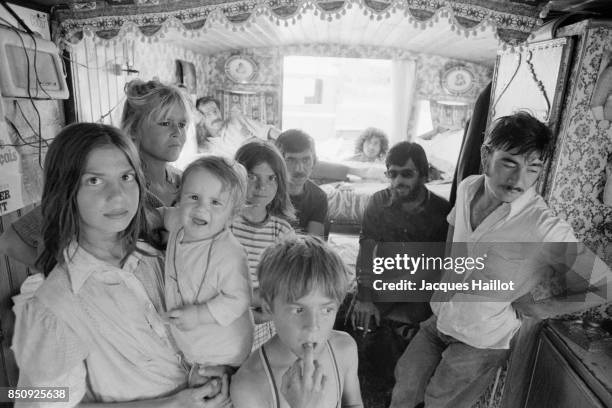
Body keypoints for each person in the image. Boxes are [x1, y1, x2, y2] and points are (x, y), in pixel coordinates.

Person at [389, 112, 612, 408]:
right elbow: (454, 237)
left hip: (480, 339)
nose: (519, 180)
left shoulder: (541, 224)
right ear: (486, 156)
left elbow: (602, 283)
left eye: (533, 168)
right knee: (405, 384)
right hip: (441, 317)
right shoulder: (469, 187)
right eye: (509, 163)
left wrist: (537, 307)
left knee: (439, 401)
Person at [11, 123, 230, 407]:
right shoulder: (54, 305)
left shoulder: (156, 258)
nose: (117, 195)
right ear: (65, 190)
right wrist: (173, 404)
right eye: (94, 180)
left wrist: (215, 368)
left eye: (126, 177)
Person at [0, 79, 189, 267]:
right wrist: (68, 275)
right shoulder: (105, 188)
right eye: (165, 123)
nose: (177, 132)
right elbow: (12, 242)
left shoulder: (186, 182)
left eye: (182, 124)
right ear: (133, 129)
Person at [230, 236, 364, 408]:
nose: (313, 325)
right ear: (269, 307)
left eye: (326, 310)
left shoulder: (345, 349)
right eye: (299, 310)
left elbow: (353, 404)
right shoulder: (249, 386)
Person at [161, 156, 253, 385]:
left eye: (215, 202)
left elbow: (239, 299)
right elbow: (163, 215)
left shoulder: (229, 253)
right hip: (191, 345)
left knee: (210, 394)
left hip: (222, 353)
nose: (201, 208)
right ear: (179, 198)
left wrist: (199, 315)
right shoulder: (179, 222)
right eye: (193, 197)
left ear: (232, 214)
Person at [350, 141, 450, 334]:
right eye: (392, 174)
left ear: (423, 175)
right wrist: (364, 296)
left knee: (411, 330)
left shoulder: (442, 211)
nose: (398, 181)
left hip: (420, 288)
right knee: (355, 319)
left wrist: (394, 289)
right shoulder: (378, 201)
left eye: (407, 174)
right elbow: (366, 249)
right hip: (384, 280)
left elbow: (434, 266)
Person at [231, 140, 296, 348]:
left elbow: (287, 284)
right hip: (226, 320)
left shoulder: (282, 231)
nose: (262, 187)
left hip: (265, 326)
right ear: (237, 178)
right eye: (252, 177)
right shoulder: (224, 224)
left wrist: (268, 307)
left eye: (271, 178)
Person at [275, 129, 328, 238]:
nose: (299, 169)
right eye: (291, 160)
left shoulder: (319, 197)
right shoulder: (266, 191)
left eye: (306, 160)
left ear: (314, 161)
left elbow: (313, 243)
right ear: (278, 162)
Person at [196, 96, 280, 157]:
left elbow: (268, 130)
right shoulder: (204, 147)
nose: (215, 116)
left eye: (215, 111)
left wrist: (287, 139)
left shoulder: (236, 120)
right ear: (201, 120)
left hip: (267, 156)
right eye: (208, 114)